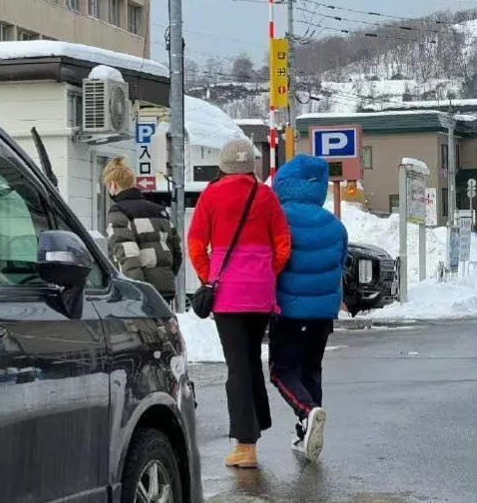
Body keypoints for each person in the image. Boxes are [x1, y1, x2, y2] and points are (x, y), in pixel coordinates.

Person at [188, 139, 291, 469]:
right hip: (260, 294)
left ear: (223, 166)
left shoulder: (211, 196)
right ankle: (257, 425)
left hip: (228, 295)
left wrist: (210, 275)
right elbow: (283, 245)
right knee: (249, 358)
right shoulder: (266, 196)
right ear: (251, 167)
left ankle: (246, 445)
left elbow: (195, 244)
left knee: (238, 366)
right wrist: (265, 271)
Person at [270, 155, 348, 462]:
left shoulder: (279, 219)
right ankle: (307, 431)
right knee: (311, 370)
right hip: (323, 314)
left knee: (282, 371)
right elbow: (340, 263)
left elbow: (274, 262)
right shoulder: (334, 224)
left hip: (289, 311)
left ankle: (306, 411)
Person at [103, 157, 182, 303]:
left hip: (141, 292)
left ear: (113, 185)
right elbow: (176, 250)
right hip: (165, 287)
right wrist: (167, 275)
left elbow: (127, 255)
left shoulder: (119, 212)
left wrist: (135, 291)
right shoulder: (159, 210)